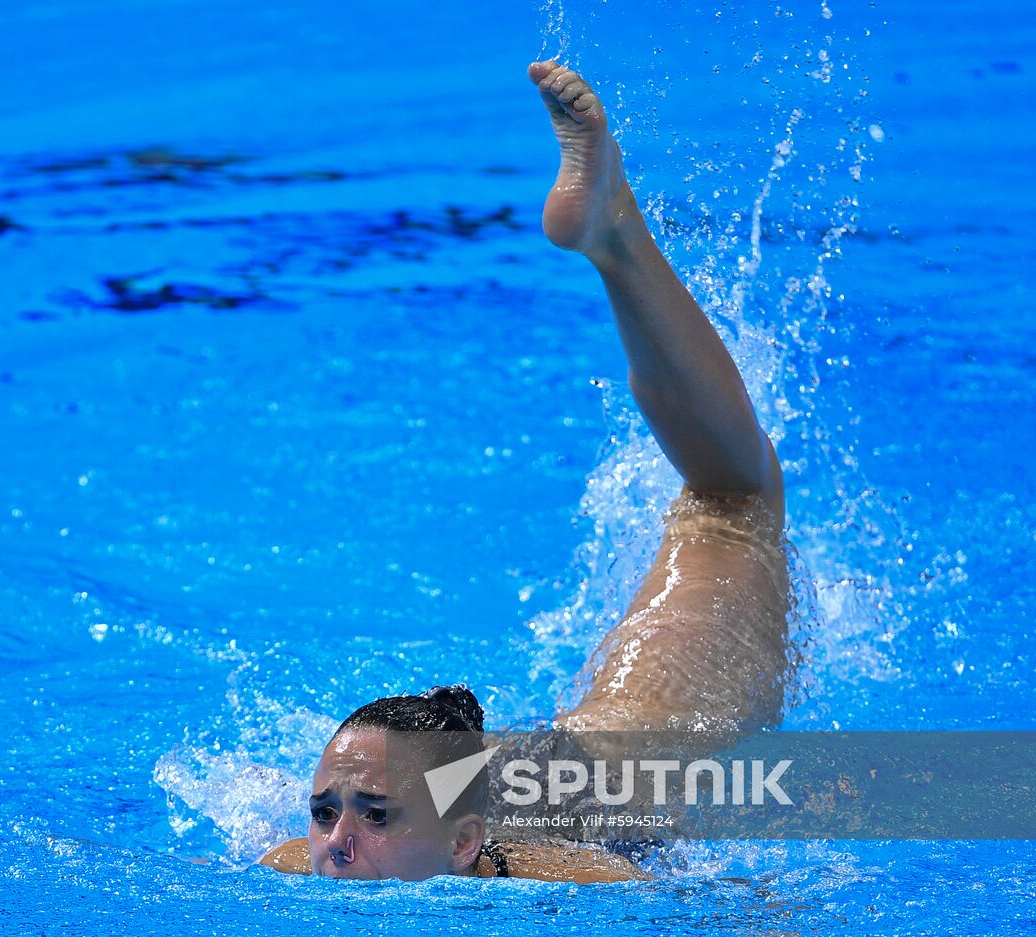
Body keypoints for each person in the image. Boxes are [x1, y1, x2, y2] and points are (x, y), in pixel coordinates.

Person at [258, 60, 794, 882]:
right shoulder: (370, 858)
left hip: (579, 772)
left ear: (470, 847)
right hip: (548, 772)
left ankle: (617, 237)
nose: (334, 841)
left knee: (733, 504)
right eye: (325, 810)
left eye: (364, 815)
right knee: (732, 500)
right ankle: (612, 228)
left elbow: (663, 892)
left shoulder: (511, 864)